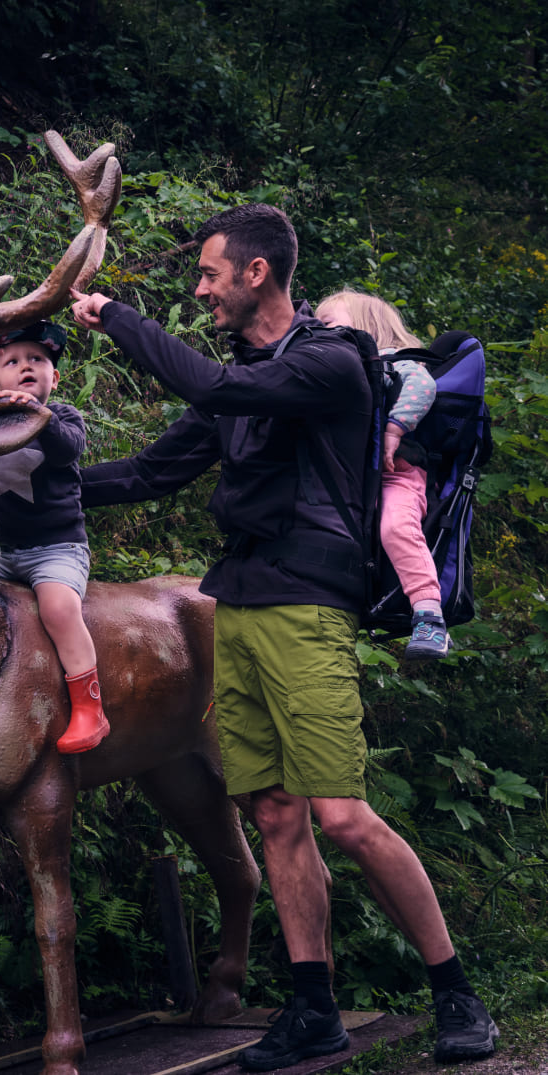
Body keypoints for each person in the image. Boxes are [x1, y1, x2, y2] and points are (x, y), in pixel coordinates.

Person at [70, 204, 498, 1070]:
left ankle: (458, 993)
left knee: (341, 812)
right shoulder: (244, 379)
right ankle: (314, 1008)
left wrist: (116, 315)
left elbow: (217, 389)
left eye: (210, 275)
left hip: (310, 600)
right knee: (272, 810)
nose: (201, 290)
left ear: (255, 272)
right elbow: (152, 471)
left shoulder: (331, 363)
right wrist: (28, 487)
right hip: (238, 599)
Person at [0, 320, 109, 754]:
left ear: (54, 378)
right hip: (10, 554)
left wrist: (36, 414)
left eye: (38, 360)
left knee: (58, 609)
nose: (26, 367)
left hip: (59, 550)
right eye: (12, 361)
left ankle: (90, 708)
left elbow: (67, 448)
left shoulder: (62, 416)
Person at [315, 290, 450, 659]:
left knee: (395, 527)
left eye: (327, 323)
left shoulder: (395, 361)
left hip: (399, 475)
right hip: (362, 481)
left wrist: (395, 429)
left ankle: (429, 615)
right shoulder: (342, 370)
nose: (318, 328)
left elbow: (424, 387)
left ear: (367, 326)